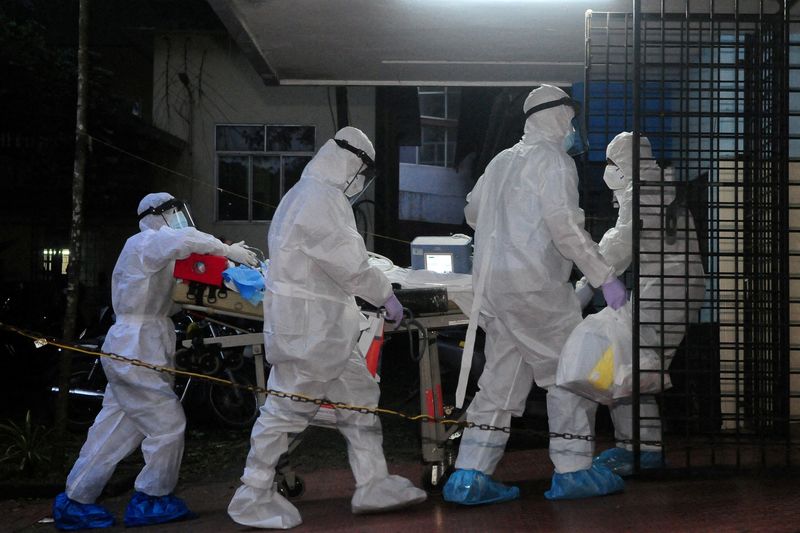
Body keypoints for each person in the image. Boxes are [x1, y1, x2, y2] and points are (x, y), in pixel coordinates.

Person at [227, 126, 426, 529]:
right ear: (353, 164)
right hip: (310, 335)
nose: (361, 184)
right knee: (285, 411)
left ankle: (373, 482)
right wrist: (385, 294)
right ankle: (252, 493)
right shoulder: (321, 197)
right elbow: (350, 264)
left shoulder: (304, 194)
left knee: (360, 399)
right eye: (363, 174)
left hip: (325, 333)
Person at [442, 85, 627, 506]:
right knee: (570, 376)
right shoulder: (554, 162)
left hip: (495, 290)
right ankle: (574, 471)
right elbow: (565, 230)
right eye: (570, 118)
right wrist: (603, 277)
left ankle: (469, 476)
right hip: (537, 290)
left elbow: (471, 212)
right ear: (558, 117)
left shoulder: (501, 160)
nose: (573, 129)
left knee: (499, 385)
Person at [53, 192, 258, 530]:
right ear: (158, 215)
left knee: (113, 432)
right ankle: (152, 499)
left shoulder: (155, 255)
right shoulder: (145, 242)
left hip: (137, 346)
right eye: (174, 213)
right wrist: (226, 250)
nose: (179, 219)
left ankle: (76, 499)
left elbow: (168, 299)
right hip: (136, 349)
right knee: (167, 424)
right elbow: (184, 239)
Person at [545, 132, 705, 499]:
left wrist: (586, 284)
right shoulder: (660, 187)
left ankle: (642, 451)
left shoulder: (642, 193)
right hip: (672, 288)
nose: (608, 172)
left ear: (624, 165)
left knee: (627, 368)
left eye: (612, 163)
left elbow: (619, 243)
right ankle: (638, 447)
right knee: (633, 367)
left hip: (664, 290)